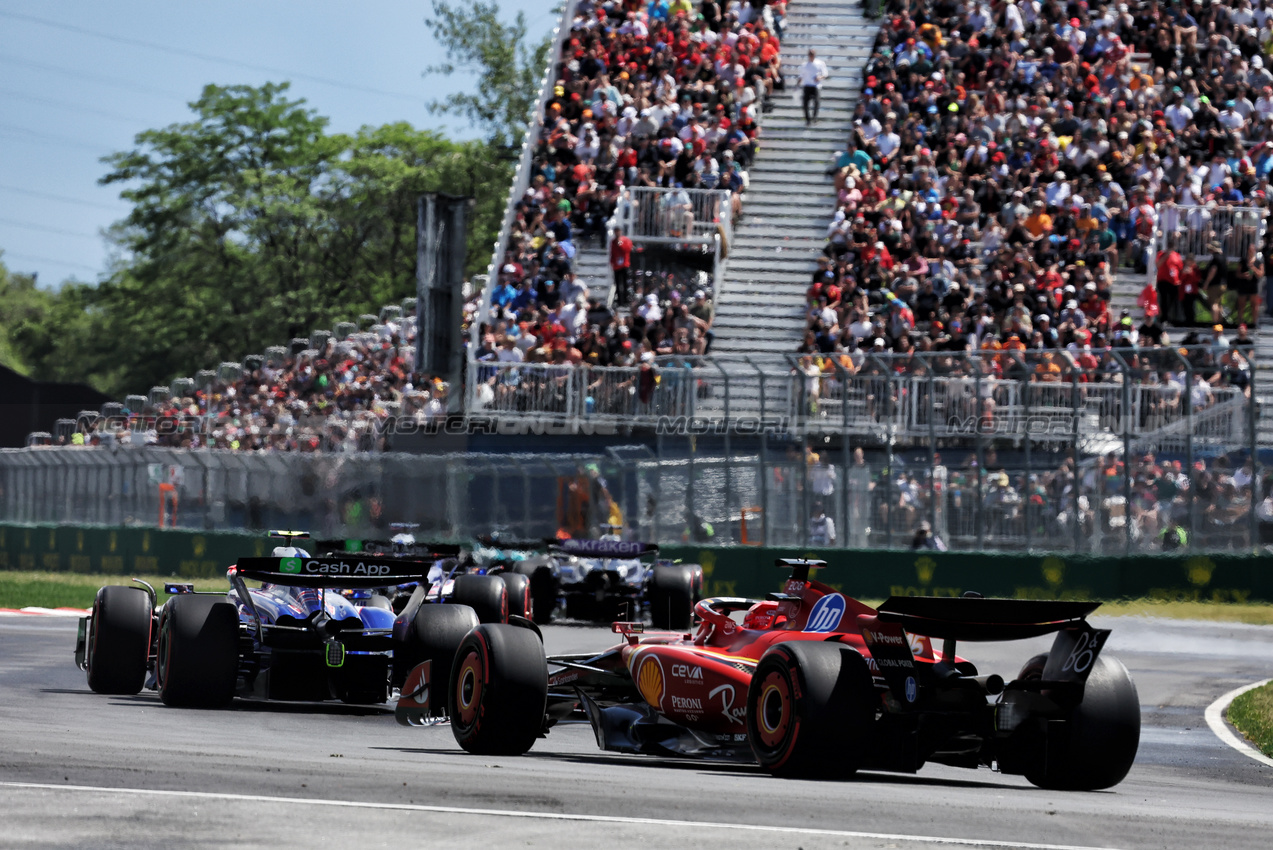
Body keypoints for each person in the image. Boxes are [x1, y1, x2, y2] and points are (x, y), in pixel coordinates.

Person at [799, 49, 827, 126]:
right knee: (805, 103)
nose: (811, 56)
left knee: (816, 102)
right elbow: (801, 76)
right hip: (807, 85)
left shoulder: (820, 63)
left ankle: (814, 118)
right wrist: (797, 85)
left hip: (816, 86)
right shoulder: (804, 65)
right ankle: (808, 120)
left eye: (812, 54)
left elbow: (825, 74)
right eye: (810, 54)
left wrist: (819, 77)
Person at [609, 232, 633, 306]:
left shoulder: (626, 240)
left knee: (625, 284)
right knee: (618, 284)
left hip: (624, 265)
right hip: (617, 266)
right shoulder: (613, 242)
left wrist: (620, 244)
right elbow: (612, 252)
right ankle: (620, 301)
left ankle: (625, 300)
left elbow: (627, 249)